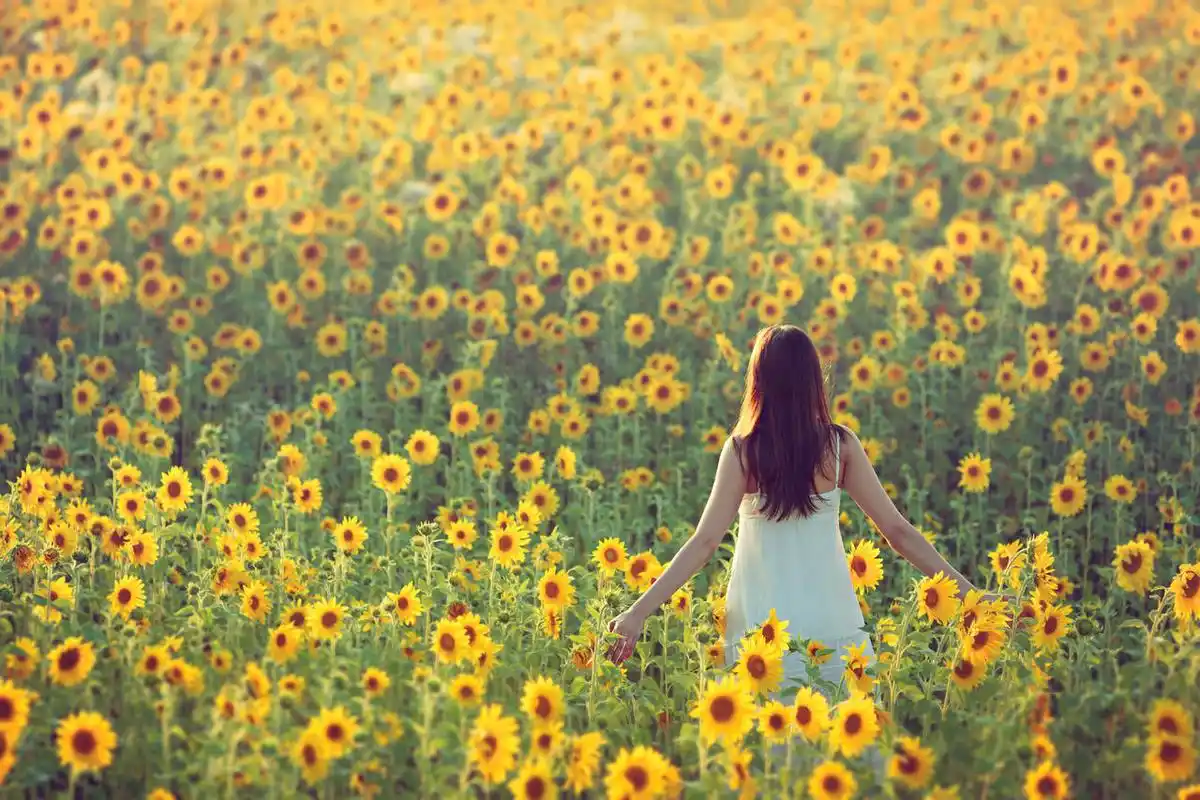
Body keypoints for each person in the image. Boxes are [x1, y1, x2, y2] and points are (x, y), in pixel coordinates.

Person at [605, 324, 1007, 699]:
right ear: (813, 382)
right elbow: (897, 532)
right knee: (840, 753)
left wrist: (637, 612)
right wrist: (972, 594)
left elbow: (705, 541)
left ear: (758, 382)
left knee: (767, 755)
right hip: (831, 624)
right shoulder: (839, 447)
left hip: (760, 633)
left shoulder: (743, 451)